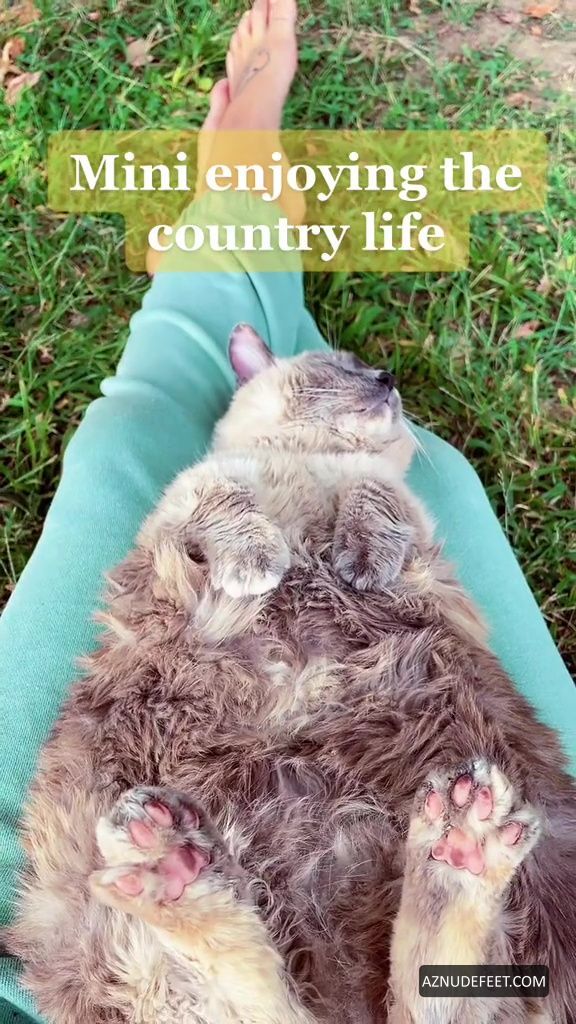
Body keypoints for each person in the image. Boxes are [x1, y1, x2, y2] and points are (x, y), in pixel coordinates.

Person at [0, 0, 574, 1019]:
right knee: (430, 480)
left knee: (130, 438)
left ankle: (237, 227)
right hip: (462, 918)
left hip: (141, 932)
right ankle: (246, 249)